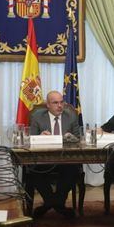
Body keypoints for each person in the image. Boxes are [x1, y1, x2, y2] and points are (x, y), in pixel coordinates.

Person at [29, 90, 81, 218]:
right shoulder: (37, 116)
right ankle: (57, 205)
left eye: (61, 102)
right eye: (55, 103)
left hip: (66, 159)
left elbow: (80, 139)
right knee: (32, 170)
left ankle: (50, 204)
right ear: (48, 105)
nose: (59, 106)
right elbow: (30, 140)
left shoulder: (71, 116)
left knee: (73, 169)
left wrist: (71, 138)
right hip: (44, 160)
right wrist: (40, 137)